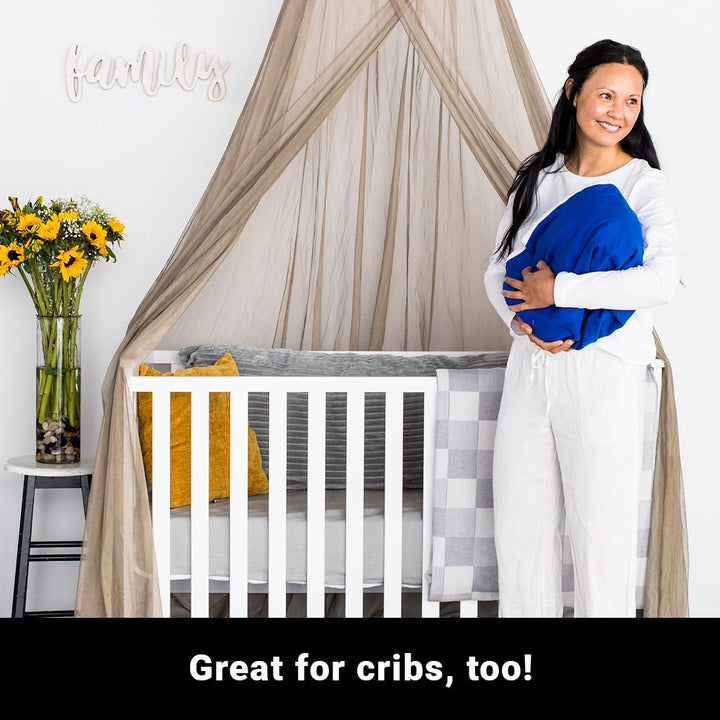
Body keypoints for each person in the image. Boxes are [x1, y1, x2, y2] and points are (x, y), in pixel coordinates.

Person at [483, 39, 680, 617]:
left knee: (601, 536)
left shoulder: (644, 185)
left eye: (632, 101)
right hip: (530, 370)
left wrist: (559, 291)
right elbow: (498, 270)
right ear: (573, 93)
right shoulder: (537, 178)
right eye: (605, 95)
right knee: (520, 533)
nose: (618, 111)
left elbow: (659, 281)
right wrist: (522, 319)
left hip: (604, 373)